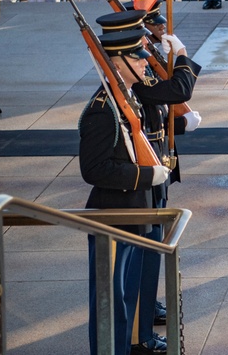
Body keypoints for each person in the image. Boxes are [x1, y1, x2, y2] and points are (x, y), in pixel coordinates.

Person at [79, 29, 172, 355]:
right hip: (115, 218)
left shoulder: (128, 98)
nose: (145, 64)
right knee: (111, 302)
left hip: (135, 211)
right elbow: (94, 169)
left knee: (128, 296)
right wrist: (147, 175)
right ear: (116, 64)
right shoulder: (103, 109)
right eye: (137, 58)